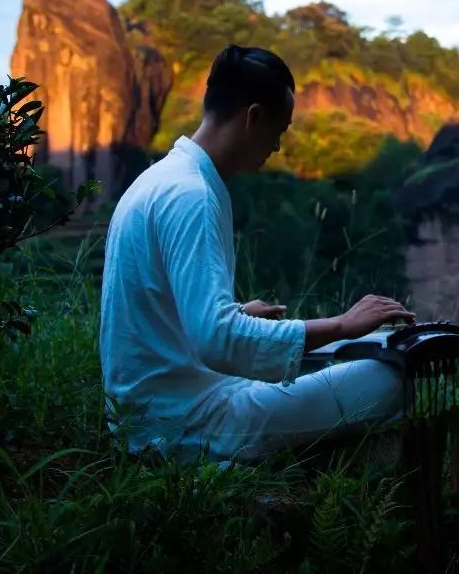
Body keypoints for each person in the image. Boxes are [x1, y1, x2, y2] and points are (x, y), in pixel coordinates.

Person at [99, 44, 415, 463]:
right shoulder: (191, 194)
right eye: (278, 131)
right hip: (185, 422)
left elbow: (166, 319)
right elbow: (218, 340)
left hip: (147, 413)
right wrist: (342, 324)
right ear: (252, 118)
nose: (278, 147)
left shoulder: (160, 179)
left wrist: (240, 313)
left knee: (362, 353)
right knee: (393, 377)